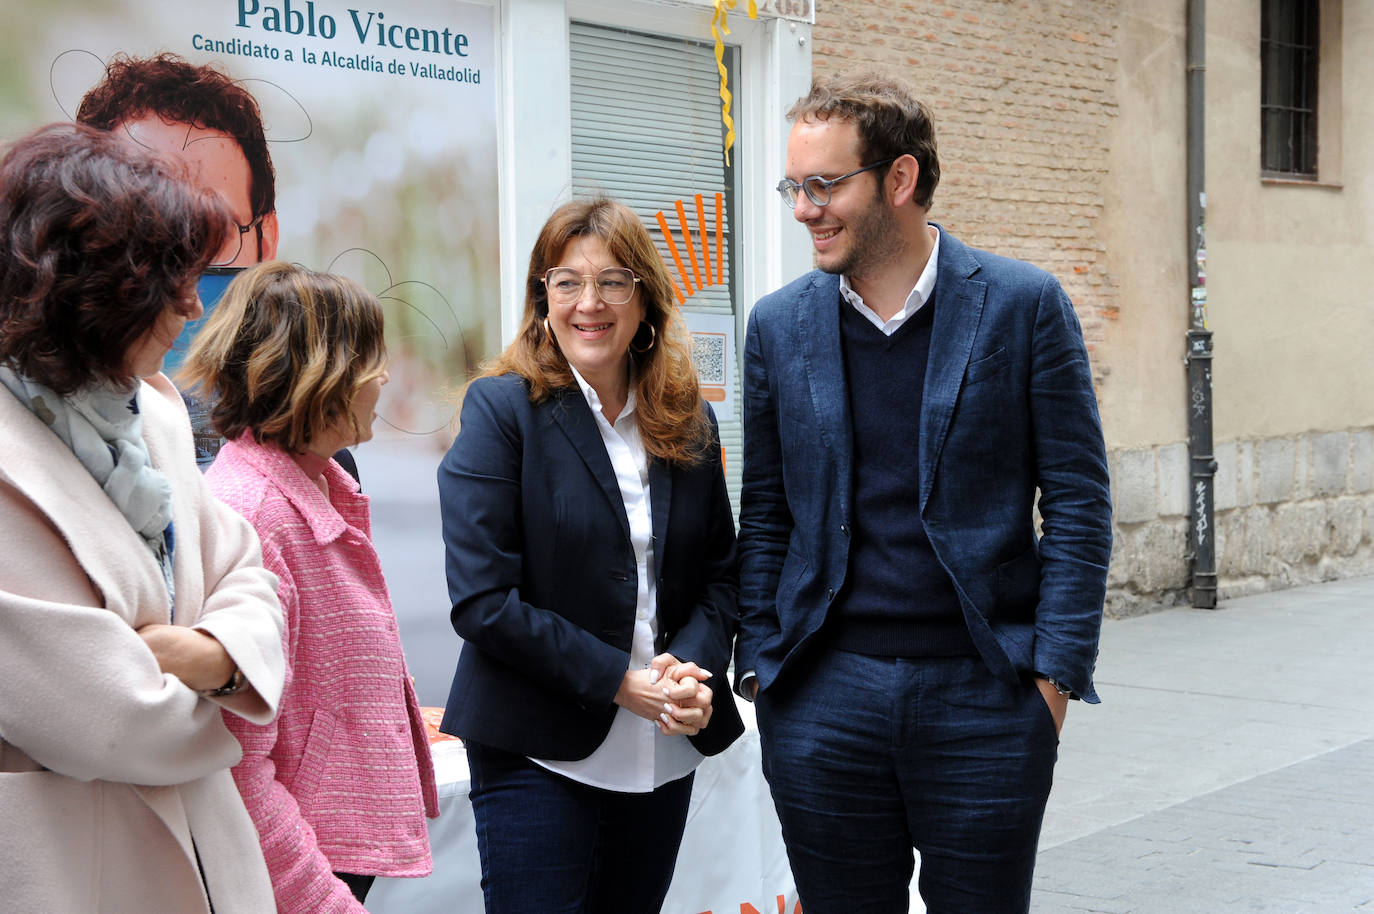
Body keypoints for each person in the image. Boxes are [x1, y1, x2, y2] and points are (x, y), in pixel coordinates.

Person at [734, 72, 1114, 913]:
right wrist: (764, 669)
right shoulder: (778, 324)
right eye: (795, 186)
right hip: (824, 698)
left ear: (898, 180)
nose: (804, 208)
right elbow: (765, 513)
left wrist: (1051, 681)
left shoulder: (1023, 306)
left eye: (825, 185)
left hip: (985, 698)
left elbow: (1080, 502)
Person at [0, 123, 285, 912]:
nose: (195, 304)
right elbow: (107, 720)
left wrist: (200, 658)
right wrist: (238, 686)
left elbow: (250, 578)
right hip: (70, 870)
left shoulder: (154, 412)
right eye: (171, 280)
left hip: (205, 856)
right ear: (85, 287)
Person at [437, 197, 744, 913]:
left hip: (662, 754)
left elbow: (722, 576)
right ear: (542, 298)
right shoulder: (501, 410)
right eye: (566, 281)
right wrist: (621, 683)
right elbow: (484, 600)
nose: (589, 303)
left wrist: (692, 668)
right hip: (536, 747)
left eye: (612, 282)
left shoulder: (688, 417)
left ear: (644, 300)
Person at [178, 261, 439, 911]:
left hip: (325, 856)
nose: (383, 379)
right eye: (370, 360)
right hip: (297, 877)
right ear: (319, 377)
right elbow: (235, 767)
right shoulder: (254, 515)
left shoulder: (321, 487)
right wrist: (320, 901)